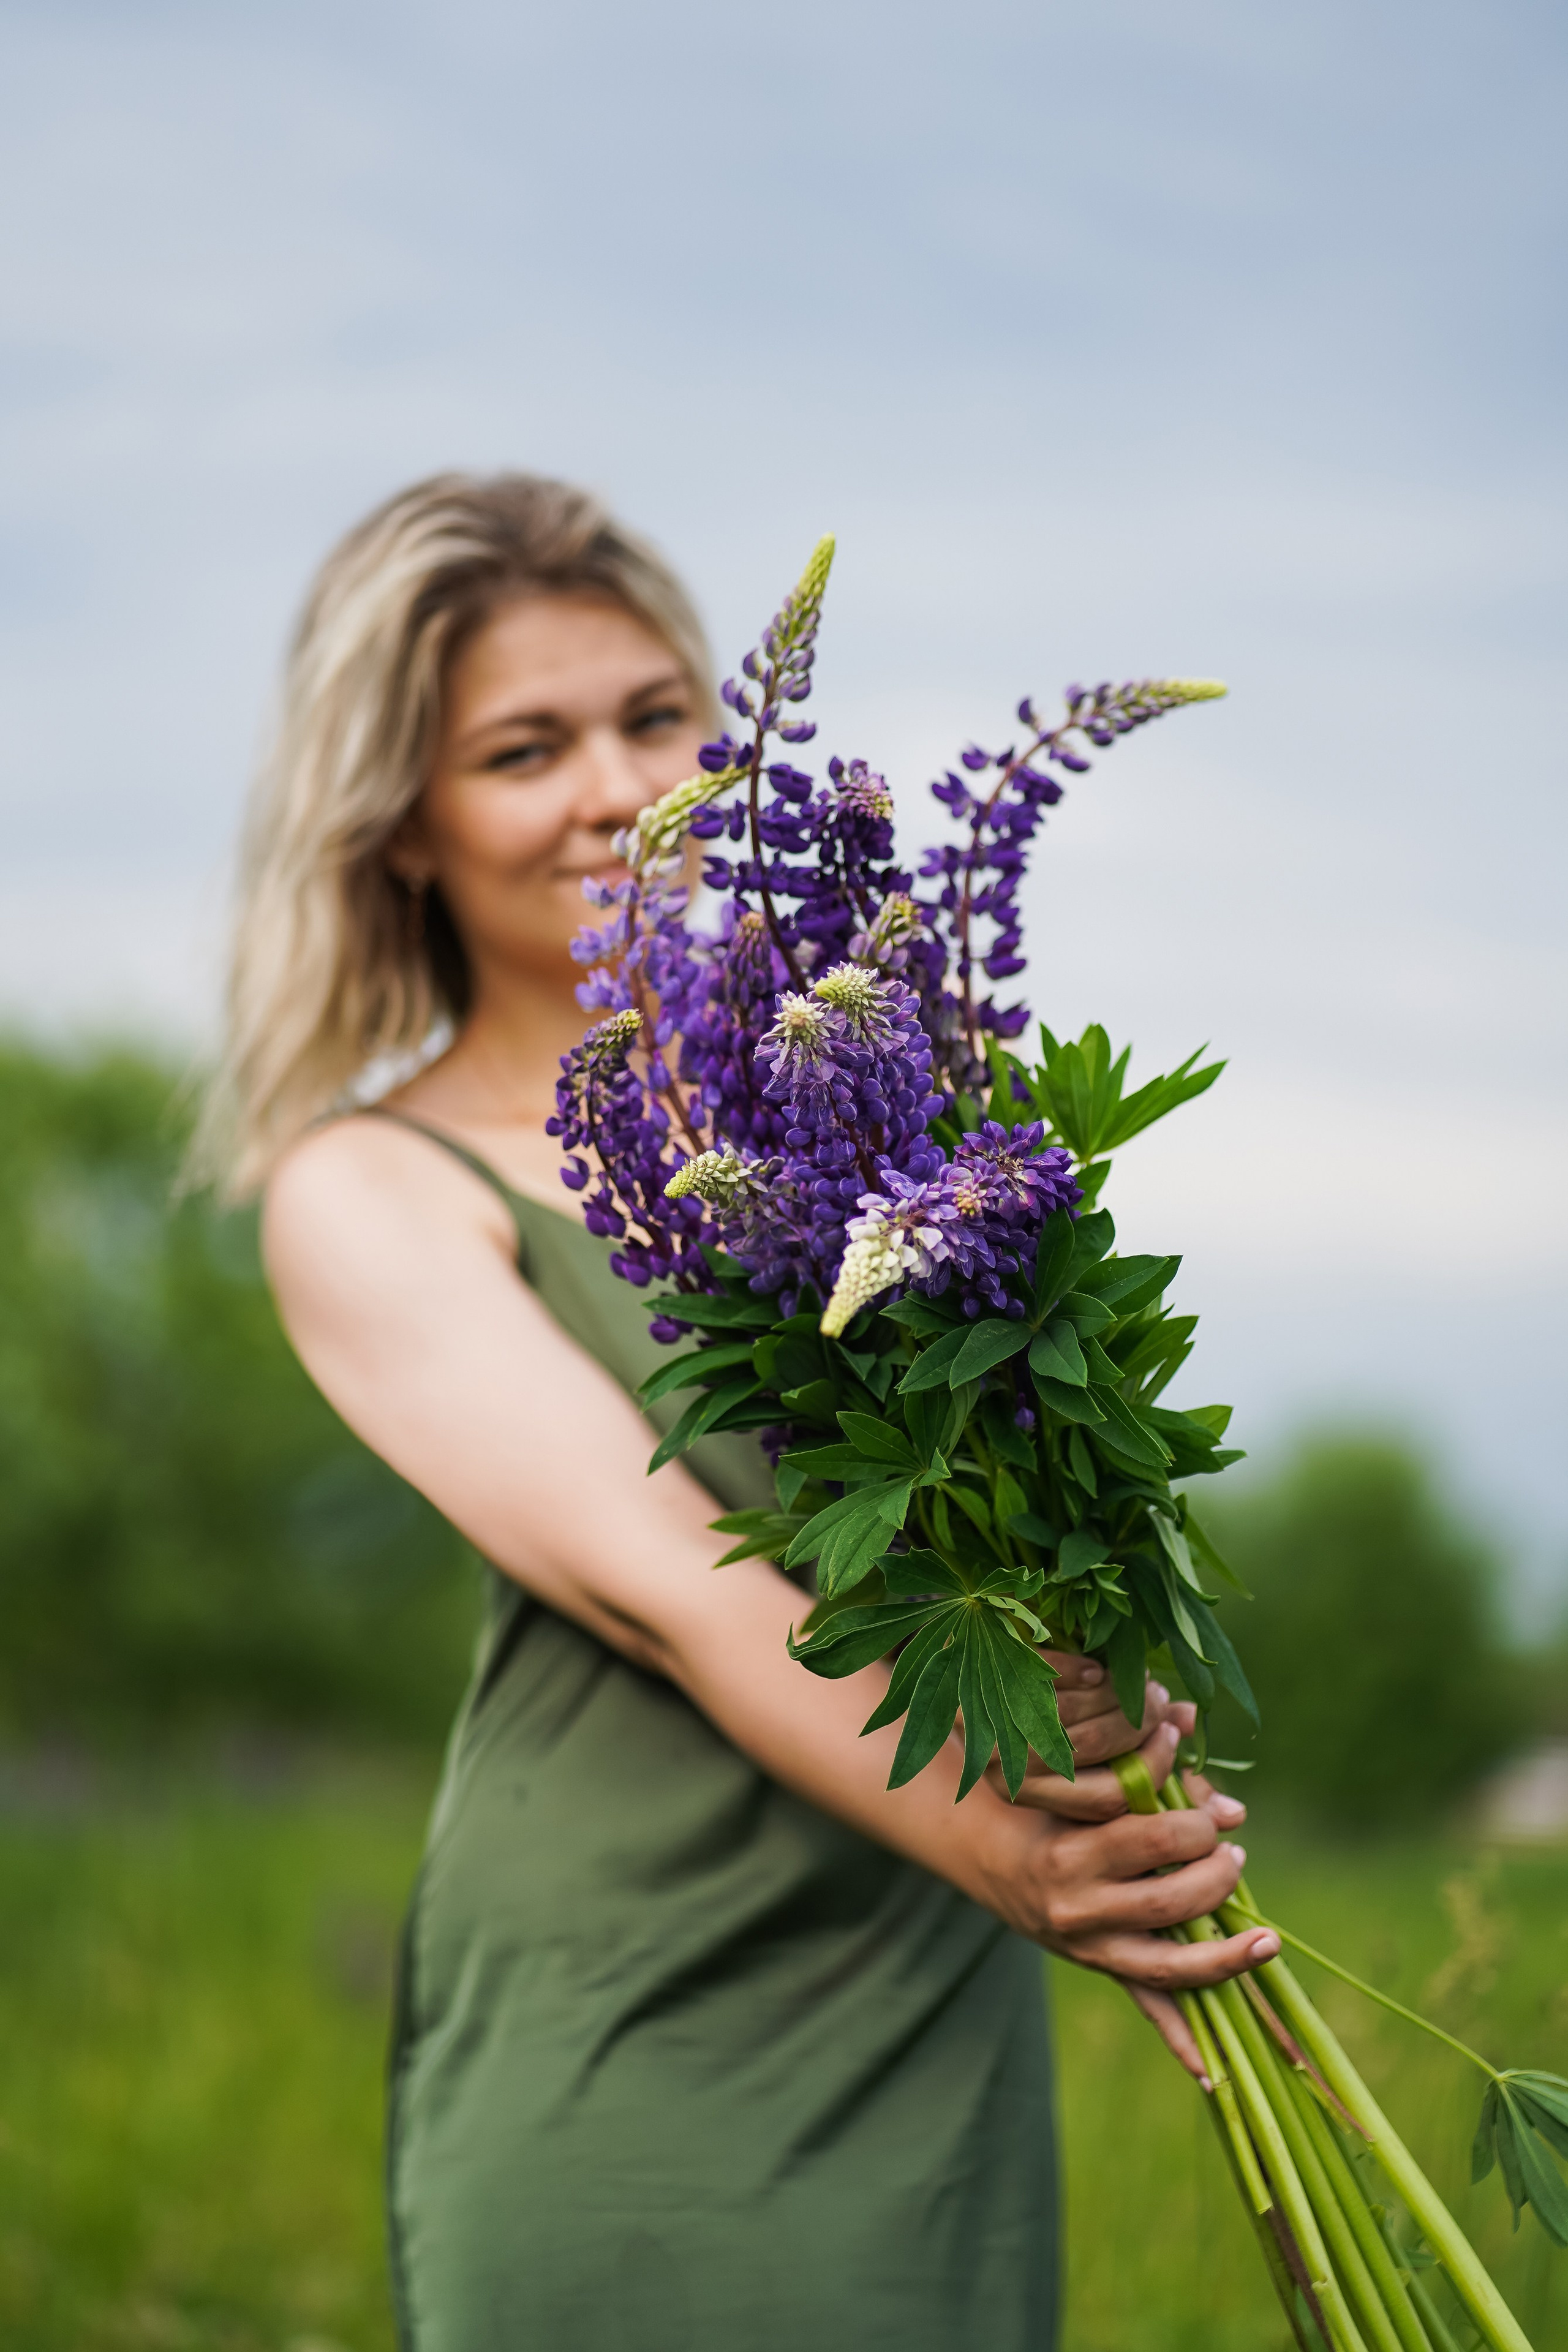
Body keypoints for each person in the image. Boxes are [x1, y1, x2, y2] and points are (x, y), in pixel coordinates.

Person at [198, 473, 1277, 2352]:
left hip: (928, 1986)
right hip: (645, 2008)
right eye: (525, 748)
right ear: (401, 829)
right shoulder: (365, 1186)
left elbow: (997, 1488)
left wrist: (1109, 1680)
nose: (616, 788)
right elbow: (669, 1580)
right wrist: (1025, 1852)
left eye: (651, 717)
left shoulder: (855, 1068)